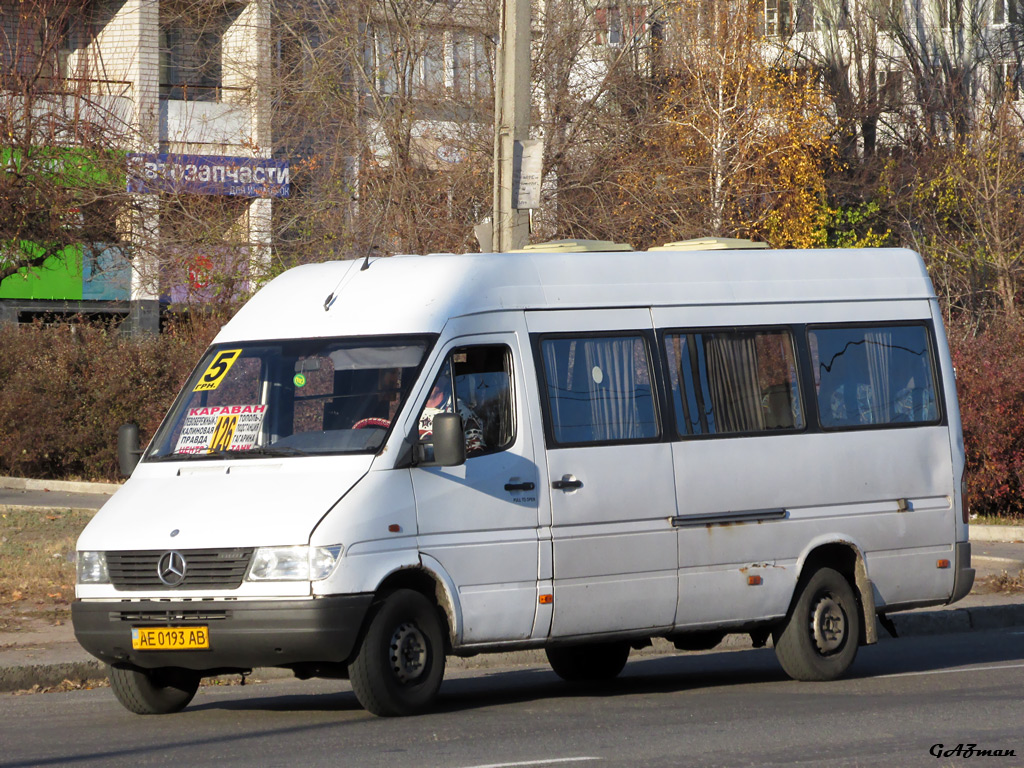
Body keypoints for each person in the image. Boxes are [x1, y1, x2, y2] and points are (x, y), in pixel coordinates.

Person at [418, 369, 485, 455]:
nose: (427, 383)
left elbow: (476, 449)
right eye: (424, 379)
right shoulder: (410, 410)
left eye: (432, 378)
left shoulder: (459, 410)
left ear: (444, 380)